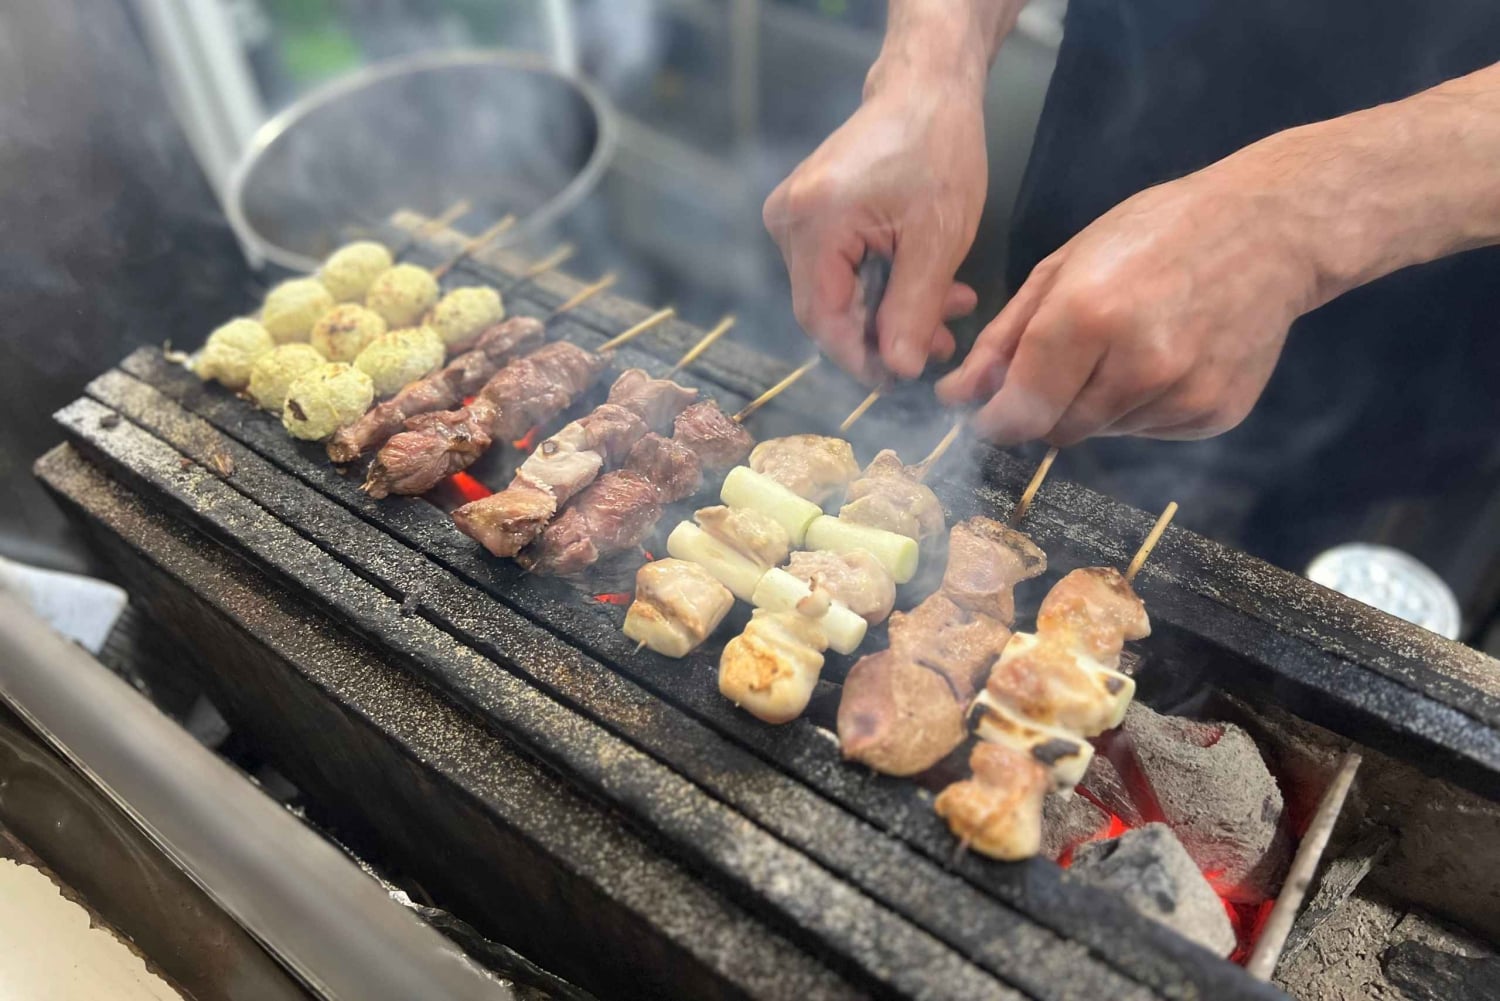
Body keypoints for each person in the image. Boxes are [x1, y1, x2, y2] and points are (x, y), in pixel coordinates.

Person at [762, 0, 1500, 584]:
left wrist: (1299, 215)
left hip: (1412, 343)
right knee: (1018, 497)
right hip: (1097, 213)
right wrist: (928, 67)